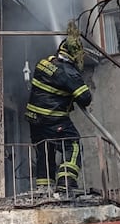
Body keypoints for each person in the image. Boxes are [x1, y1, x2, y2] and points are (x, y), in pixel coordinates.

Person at [24, 37, 92, 195]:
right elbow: (85, 98)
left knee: (44, 150)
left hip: (34, 119)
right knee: (73, 145)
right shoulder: (70, 73)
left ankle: (43, 188)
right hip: (53, 118)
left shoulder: (43, 63)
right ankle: (66, 182)